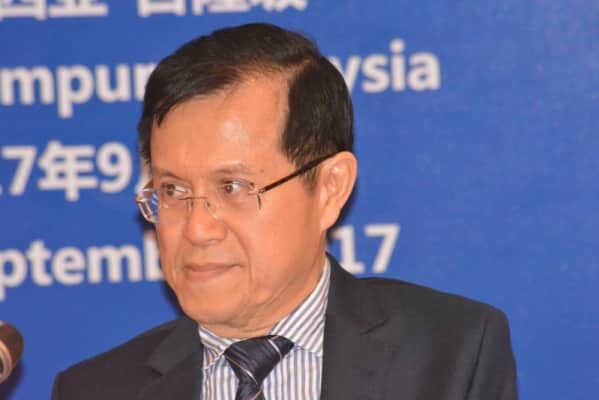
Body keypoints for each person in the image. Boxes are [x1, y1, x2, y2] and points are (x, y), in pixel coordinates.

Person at [52, 23, 518, 400]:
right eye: (172, 190)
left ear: (330, 189)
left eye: (233, 187)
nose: (196, 228)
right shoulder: (93, 390)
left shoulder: (451, 356)